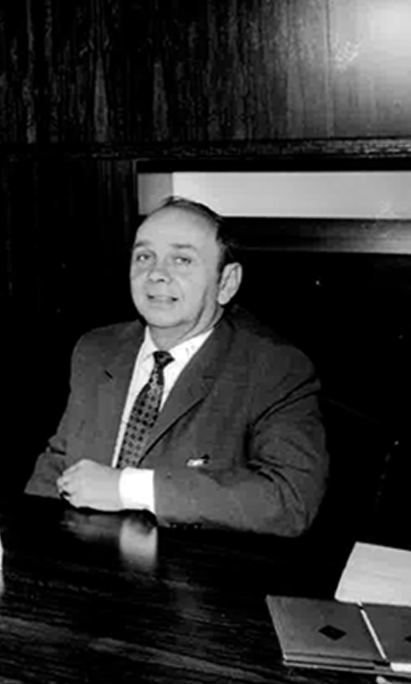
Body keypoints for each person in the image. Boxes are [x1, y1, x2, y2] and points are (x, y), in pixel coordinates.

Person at [26, 196, 328, 536]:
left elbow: (290, 500)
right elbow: (58, 466)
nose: (156, 274)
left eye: (182, 259)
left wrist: (127, 487)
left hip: (194, 579)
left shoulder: (274, 369)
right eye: (144, 256)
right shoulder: (96, 350)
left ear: (226, 283)